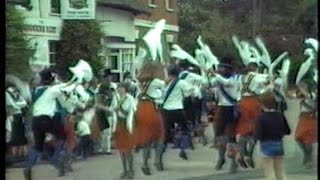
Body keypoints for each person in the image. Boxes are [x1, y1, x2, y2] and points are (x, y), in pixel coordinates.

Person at [23, 69, 78, 180]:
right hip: (47, 119)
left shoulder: (36, 91)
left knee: (38, 146)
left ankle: (28, 166)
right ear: (51, 80)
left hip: (36, 120)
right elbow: (68, 87)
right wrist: (76, 80)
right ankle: (55, 158)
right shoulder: (52, 90)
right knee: (62, 137)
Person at [205, 60, 242, 173]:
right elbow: (207, 85)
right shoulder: (218, 79)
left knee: (231, 137)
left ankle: (233, 162)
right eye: (219, 68)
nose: (220, 70)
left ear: (229, 70)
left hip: (231, 109)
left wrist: (214, 74)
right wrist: (207, 76)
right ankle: (221, 158)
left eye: (223, 69)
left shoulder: (235, 79)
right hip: (220, 108)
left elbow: (226, 83)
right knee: (219, 136)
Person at [133, 62, 166, 175]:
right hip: (150, 108)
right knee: (160, 135)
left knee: (146, 138)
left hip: (140, 108)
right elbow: (166, 83)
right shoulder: (155, 82)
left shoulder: (139, 81)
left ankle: (144, 163)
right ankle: (157, 160)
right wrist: (164, 70)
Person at [235, 62, 269, 169]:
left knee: (243, 131)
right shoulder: (258, 76)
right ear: (256, 68)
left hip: (242, 103)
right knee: (255, 130)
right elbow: (268, 83)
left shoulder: (240, 78)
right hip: (254, 103)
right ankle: (249, 154)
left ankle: (242, 154)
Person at [161, 65, 195, 163]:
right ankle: (182, 149)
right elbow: (190, 92)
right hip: (178, 109)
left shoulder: (165, 83)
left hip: (165, 110)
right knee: (184, 129)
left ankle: (159, 157)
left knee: (165, 134)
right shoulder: (181, 83)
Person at [254, 91, 291, 180]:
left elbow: (258, 135)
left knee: (269, 170)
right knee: (279, 170)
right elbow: (287, 131)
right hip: (278, 144)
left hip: (266, 145)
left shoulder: (261, 118)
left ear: (262, 104)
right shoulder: (280, 115)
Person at [114, 82, 136, 179]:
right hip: (118, 125)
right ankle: (124, 170)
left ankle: (131, 170)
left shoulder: (130, 99)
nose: (119, 90)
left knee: (128, 150)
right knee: (121, 150)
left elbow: (130, 112)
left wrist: (120, 108)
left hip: (126, 125)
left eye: (121, 88)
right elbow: (113, 110)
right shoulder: (116, 98)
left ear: (125, 89)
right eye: (118, 88)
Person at [294, 83, 317, 169]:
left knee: (308, 139)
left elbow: (313, 107)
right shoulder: (304, 96)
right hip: (303, 118)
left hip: (310, 117)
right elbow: (294, 95)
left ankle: (308, 159)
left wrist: (299, 85)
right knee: (298, 138)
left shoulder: (313, 94)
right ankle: (307, 155)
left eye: (305, 86)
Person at [6, 86, 28, 159]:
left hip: (18, 116)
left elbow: (24, 103)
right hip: (13, 116)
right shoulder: (7, 94)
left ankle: (21, 155)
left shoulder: (17, 94)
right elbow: (12, 104)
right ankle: (16, 156)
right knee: (15, 136)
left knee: (20, 135)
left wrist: (16, 104)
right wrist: (18, 105)